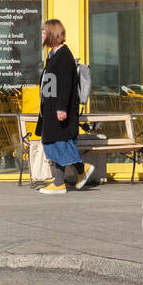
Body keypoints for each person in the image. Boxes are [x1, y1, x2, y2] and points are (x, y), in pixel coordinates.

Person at [36, 19, 94, 195]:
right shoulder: (53, 55)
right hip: (50, 107)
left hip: (59, 109)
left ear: (52, 35)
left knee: (56, 142)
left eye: (44, 32)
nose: (42, 35)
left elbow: (66, 84)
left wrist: (61, 108)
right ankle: (60, 181)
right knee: (56, 142)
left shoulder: (63, 56)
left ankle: (80, 169)